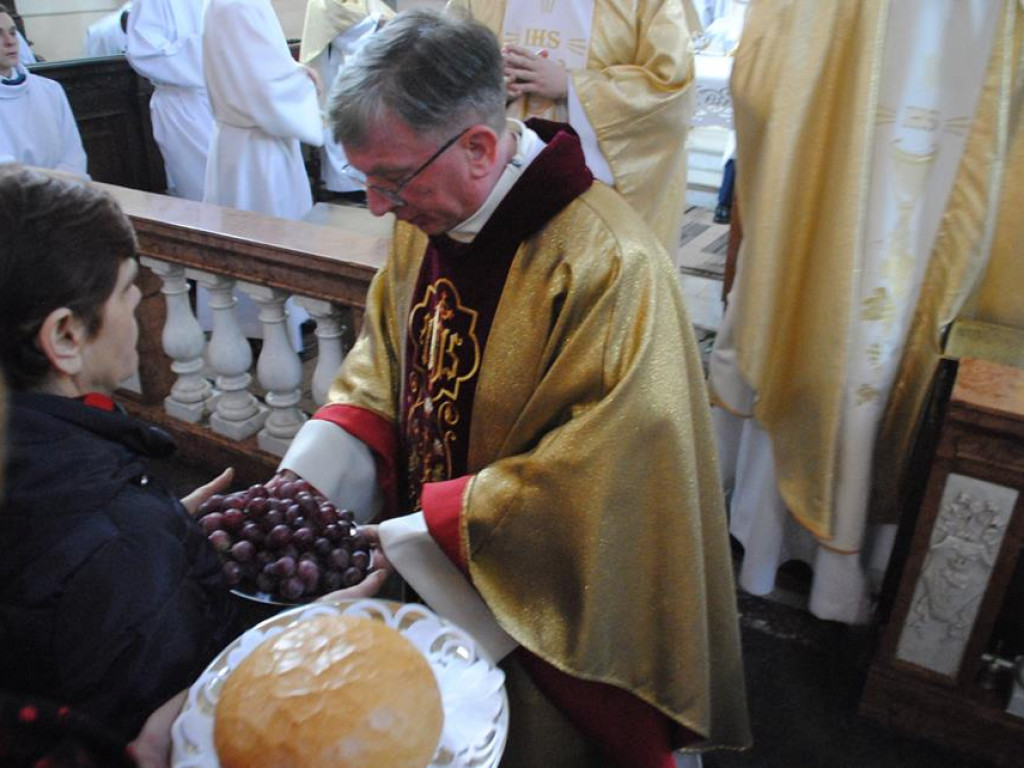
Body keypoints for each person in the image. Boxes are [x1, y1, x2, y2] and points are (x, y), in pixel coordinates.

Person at [277, 10, 750, 767]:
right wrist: (306, 479)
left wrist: (426, 530)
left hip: (546, 621)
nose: (374, 206)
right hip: (424, 569)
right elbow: (383, 367)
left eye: (389, 179)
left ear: (479, 146)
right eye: (364, 178)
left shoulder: (609, 265)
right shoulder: (422, 221)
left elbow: (607, 477)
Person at [0, 166, 386, 767]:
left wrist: (163, 532)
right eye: (129, 288)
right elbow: (172, 719)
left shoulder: (54, 472)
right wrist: (296, 633)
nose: (141, 299)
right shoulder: (115, 538)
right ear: (66, 336)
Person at [708, 0, 1023, 624]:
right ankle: (864, 558)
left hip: (845, 153)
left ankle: (767, 535)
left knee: (826, 298)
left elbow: (767, 69)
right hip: (955, 133)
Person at [445, 0, 698, 253]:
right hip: (495, 174)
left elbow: (670, 89)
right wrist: (488, 81)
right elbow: (443, 61)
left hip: (592, 192)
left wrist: (573, 86)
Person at [202, 0, 323, 219]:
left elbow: (251, 64)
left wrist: (296, 70)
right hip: (258, 147)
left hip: (236, 140)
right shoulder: (241, 5)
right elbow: (263, 88)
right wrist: (304, 83)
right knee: (268, 230)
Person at [299, 0, 394, 204]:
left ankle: (359, 181)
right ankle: (346, 185)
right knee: (341, 123)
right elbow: (339, 20)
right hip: (337, 67)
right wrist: (378, 22)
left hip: (355, 67)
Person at [126, 0, 212, 201]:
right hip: (185, 106)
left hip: (228, 99)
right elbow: (144, 52)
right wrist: (216, 47)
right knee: (206, 196)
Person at [0, 6, 87, 175]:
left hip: (60, 193)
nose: (9, 41)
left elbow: (73, 157)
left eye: (12, 32)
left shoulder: (50, 90)